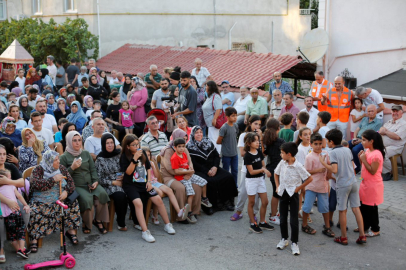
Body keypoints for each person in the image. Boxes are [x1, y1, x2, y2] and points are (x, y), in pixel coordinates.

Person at [120, 134, 175, 242]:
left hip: (143, 183)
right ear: (127, 146)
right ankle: (145, 231)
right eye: (133, 145)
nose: (137, 146)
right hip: (130, 185)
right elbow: (128, 172)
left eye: (137, 144)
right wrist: (134, 159)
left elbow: (148, 168)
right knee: (138, 203)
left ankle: (167, 224)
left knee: (158, 199)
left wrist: (149, 181)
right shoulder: (124, 157)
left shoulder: (143, 152)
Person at [319, 129, 366, 245]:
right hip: (353, 182)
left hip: (342, 184)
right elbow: (351, 165)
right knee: (356, 209)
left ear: (331, 142)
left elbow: (334, 169)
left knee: (342, 211)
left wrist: (323, 163)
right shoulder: (347, 149)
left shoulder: (333, 153)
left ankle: (343, 237)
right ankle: (362, 235)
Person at [27, 150, 81, 251]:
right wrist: (52, 180)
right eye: (55, 160)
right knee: (34, 210)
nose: (58, 161)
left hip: (59, 200)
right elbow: (35, 184)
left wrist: (66, 192)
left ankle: (71, 231)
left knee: (73, 203)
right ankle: (34, 238)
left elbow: (71, 184)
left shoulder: (62, 168)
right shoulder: (38, 170)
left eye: (58, 159)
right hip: (41, 201)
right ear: (49, 161)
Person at [59, 131, 109, 234]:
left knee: (102, 194)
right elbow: (63, 177)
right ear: (69, 142)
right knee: (86, 199)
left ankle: (98, 220)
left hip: (90, 183)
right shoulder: (64, 157)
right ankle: (87, 223)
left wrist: (95, 181)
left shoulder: (85, 153)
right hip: (77, 186)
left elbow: (93, 169)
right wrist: (72, 168)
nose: (77, 143)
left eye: (79, 140)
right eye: (74, 141)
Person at [187, 126, 237, 213]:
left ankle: (227, 203)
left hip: (213, 167)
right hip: (200, 170)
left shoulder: (208, 142)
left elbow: (216, 156)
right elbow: (194, 164)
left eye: (200, 132)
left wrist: (215, 167)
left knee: (227, 177)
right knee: (210, 181)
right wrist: (207, 171)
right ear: (192, 134)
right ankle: (210, 207)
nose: (199, 134)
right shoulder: (189, 146)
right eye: (197, 132)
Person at [275, 142, 312, 255]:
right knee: (282, 217)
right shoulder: (282, 162)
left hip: (294, 195)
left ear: (289, 154)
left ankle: (294, 243)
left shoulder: (298, 166)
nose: (281, 155)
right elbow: (276, 173)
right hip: (284, 192)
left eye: (282, 153)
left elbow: (309, 179)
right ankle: (284, 239)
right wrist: (277, 186)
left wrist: (299, 188)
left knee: (294, 220)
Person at [160, 129, 202, 223]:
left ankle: (192, 212)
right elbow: (170, 169)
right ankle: (181, 216)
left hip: (184, 174)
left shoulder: (184, 148)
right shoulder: (168, 151)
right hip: (169, 177)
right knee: (180, 188)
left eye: (185, 139)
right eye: (182, 139)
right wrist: (186, 173)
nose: (184, 141)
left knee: (196, 186)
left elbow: (190, 163)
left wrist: (189, 172)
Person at [95, 133, 133, 231]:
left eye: (112, 142)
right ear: (103, 144)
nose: (110, 145)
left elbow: (125, 167)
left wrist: (124, 176)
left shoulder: (119, 154)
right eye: (107, 143)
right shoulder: (100, 158)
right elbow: (99, 178)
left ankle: (137, 220)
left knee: (134, 192)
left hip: (123, 180)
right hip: (109, 184)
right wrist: (113, 182)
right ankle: (121, 222)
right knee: (121, 196)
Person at [142, 145, 189, 222]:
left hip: (155, 182)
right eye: (145, 155)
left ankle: (179, 211)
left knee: (169, 190)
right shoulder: (140, 165)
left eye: (149, 155)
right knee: (159, 193)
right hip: (147, 184)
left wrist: (153, 167)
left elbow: (157, 176)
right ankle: (155, 214)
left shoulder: (151, 163)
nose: (148, 157)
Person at [301, 133, 335, 237]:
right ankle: (304, 224)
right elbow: (306, 172)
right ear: (311, 144)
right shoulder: (309, 157)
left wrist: (330, 175)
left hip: (323, 186)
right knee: (307, 207)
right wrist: (318, 170)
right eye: (316, 144)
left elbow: (330, 165)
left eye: (320, 143)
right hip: (311, 186)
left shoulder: (325, 154)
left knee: (325, 208)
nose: (318, 146)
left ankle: (327, 226)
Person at [171, 137, 212, 221]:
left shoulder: (184, 154)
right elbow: (176, 172)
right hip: (182, 178)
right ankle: (189, 212)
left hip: (188, 175)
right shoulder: (174, 158)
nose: (182, 148)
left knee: (204, 182)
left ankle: (204, 199)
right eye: (179, 146)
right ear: (175, 147)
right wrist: (187, 172)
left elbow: (188, 166)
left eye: (183, 146)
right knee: (191, 193)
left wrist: (189, 171)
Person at [231, 116, 262, 221]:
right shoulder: (244, 135)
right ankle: (238, 211)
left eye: (259, 124)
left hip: (258, 169)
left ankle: (254, 214)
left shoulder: (260, 137)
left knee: (257, 193)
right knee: (243, 191)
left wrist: (260, 139)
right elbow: (243, 153)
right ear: (250, 124)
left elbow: (262, 154)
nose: (257, 126)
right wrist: (252, 143)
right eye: (255, 124)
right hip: (246, 169)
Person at [243, 132, 273, 233]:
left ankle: (262, 222)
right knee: (251, 202)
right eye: (255, 141)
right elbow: (251, 172)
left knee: (265, 201)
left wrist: (264, 169)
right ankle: (252, 223)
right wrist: (263, 170)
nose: (258, 143)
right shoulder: (247, 156)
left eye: (258, 141)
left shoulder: (259, 152)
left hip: (260, 179)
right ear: (249, 143)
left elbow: (263, 165)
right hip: (251, 181)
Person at [357, 129, 385, 237]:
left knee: (371, 209)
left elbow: (373, 171)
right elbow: (364, 167)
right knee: (363, 206)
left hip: (373, 185)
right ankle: (364, 226)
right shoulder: (368, 151)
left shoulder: (376, 154)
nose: (362, 142)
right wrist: (361, 159)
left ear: (371, 141)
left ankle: (375, 229)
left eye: (364, 140)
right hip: (365, 184)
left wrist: (363, 160)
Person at [0, 169, 30, 259]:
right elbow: (20, 196)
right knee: (21, 230)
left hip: (7, 216)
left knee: (12, 235)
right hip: (16, 213)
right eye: (9, 176)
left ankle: (19, 250)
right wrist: (26, 205)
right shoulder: (12, 186)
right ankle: (21, 249)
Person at [263, 118, 285, 225]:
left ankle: (274, 213)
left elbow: (264, 153)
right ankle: (273, 215)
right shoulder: (280, 141)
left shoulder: (267, 140)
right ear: (278, 128)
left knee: (276, 192)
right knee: (277, 193)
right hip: (279, 170)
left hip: (271, 168)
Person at [348, 105, 382, 173]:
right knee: (345, 146)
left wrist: (361, 140)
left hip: (366, 141)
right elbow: (357, 129)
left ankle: (357, 169)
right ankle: (348, 166)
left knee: (355, 150)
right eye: (369, 111)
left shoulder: (378, 123)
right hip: (357, 138)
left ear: (376, 112)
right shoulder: (364, 119)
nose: (370, 113)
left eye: (372, 111)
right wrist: (354, 138)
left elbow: (374, 136)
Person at [379, 105, 406, 181]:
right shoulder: (389, 122)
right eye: (393, 111)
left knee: (382, 153)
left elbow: (397, 137)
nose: (395, 113)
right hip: (385, 145)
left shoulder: (403, 124)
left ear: (402, 112)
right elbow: (381, 129)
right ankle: (378, 171)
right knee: (371, 150)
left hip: (396, 147)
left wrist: (386, 132)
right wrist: (386, 131)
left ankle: (388, 172)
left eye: (397, 111)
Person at [217, 107, 239, 186]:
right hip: (226, 154)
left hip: (235, 154)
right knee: (226, 171)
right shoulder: (224, 128)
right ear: (227, 117)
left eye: (236, 115)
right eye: (233, 116)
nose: (235, 117)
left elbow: (235, 136)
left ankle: (234, 186)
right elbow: (218, 141)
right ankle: (226, 186)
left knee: (235, 171)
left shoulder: (235, 126)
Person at [202, 81, 222, 153]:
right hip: (209, 122)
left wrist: (215, 119)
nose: (205, 88)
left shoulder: (215, 96)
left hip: (213, 121)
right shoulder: (209, 96)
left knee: (214, 138)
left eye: (206, 86)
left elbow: (218, 108)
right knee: (212, 137)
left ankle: (216, 154)